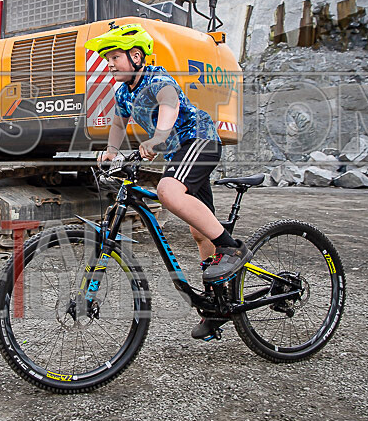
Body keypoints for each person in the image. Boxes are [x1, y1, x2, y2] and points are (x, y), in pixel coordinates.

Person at [84, 23, 252, 340]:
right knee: (200, 232)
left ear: (136, 56)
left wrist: (159, 137)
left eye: (114, 57)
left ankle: (232, 249)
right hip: (180, 150)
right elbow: (118, 124)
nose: (109, 64)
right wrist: (110, 151)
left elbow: (169, 105)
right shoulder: (123, 92)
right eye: (107, 59)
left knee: (167, 190)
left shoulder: (157, 79)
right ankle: (216, 308)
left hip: (199, 140)